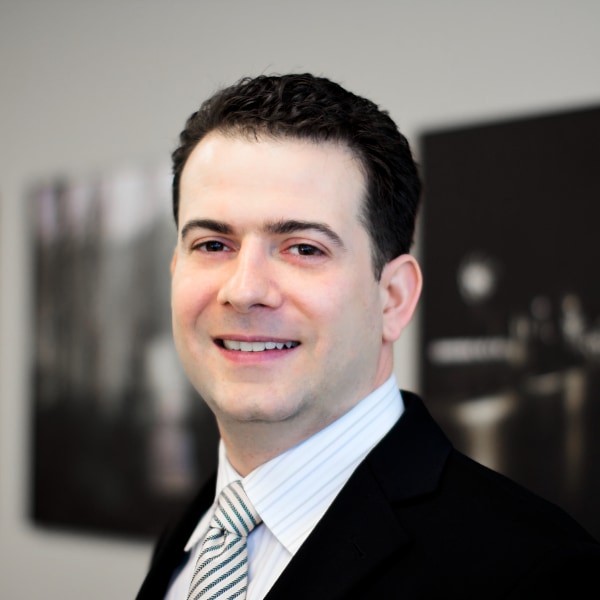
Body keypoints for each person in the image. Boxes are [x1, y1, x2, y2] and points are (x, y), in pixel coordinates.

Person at [136, 73, 600, 600]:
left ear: (393, 298)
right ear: (176, 270)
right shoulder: (190, 543)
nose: (244, 291)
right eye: (213, 244)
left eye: (303, 248)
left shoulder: (538, 574)